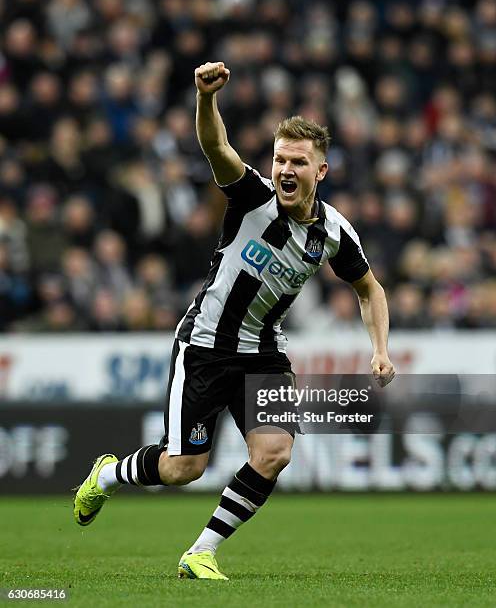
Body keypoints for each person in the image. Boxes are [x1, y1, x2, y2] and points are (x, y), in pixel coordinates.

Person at [73, 62, 396, 580]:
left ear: (321, 171)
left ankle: (201, 551)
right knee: (183, 468)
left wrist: (380, 349)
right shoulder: (251, 196)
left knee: (273, 452)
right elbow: (217, 148)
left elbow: (369, 289)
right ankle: (108, 473)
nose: (285, 170)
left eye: (298, 162)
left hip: (263, 351)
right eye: (279, 159)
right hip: (205, 344)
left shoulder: (335, 232)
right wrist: (206, 100)